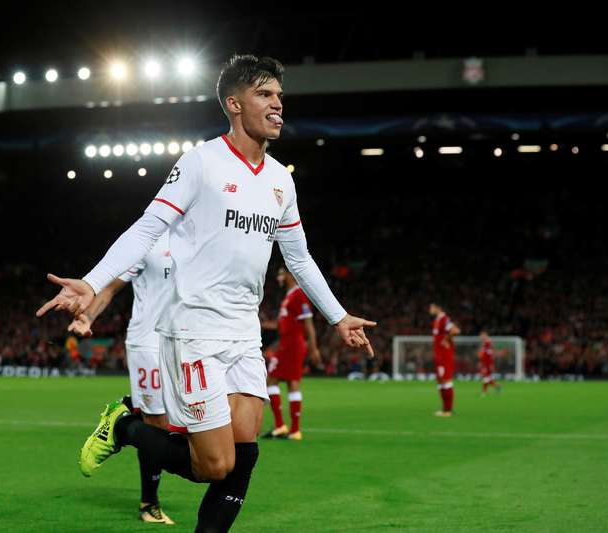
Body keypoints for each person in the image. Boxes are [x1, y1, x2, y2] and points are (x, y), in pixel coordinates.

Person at [37, 54, 376, 532]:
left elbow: (298, 258)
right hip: (193, 329)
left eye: (279, 95)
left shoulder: (281, 180)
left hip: (243, 333)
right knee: (214, 465)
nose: (278, 104)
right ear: (234, 104)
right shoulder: (201, 162)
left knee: (245, 449)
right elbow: (148, 227)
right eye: (265, 94)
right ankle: (125, 426)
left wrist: (338, 317)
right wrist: (92, 281)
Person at [69, 232, 175, 524]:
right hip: (149, 343)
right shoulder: (149, 240)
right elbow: (111, 286)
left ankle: (123, 416)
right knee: (157, 428)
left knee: (186, 424)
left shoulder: (202, 235)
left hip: (186, 343)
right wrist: (88, 317)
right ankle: (149, 503)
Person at [262, 266, 322, 440]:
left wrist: (314, 348)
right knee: (286, 381)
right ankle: (288, 428)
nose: (279, 277)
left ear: (290, 275)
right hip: (286, 344)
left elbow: (308, 324)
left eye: (281, 274)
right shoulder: (288, 297)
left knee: (279, 380)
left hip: (293, 345)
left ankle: (287, 427)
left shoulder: (299, 295)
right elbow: (284, 326)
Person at [429, 303, 459, 416]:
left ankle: (448, 410)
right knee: (441, 382)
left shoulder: (444, 319)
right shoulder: (437, 320)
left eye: (431, 307)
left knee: (446, 381)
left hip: (445, 356)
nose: (430, 309)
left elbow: (455, 330)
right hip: (439, 356)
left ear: (438, 308)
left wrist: (446, 340)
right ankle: (445, 409)